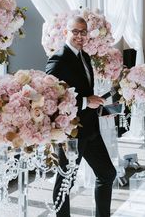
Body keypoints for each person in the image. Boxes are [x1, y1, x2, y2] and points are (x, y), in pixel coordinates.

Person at [46, 16, 117, 217]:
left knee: (107, 174)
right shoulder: (58, 58)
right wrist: (86, 102)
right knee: (65, 182)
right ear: (65, 32)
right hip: (71, 132)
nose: (79, 36)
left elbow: (86, 92)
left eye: (83, 32)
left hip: (90, 129)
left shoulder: (84, 56)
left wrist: (104, 110)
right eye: (75, 31)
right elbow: (52, 97)